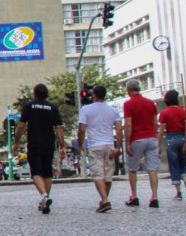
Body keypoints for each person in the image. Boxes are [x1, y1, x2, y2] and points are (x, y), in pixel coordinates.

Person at [13, 84, 66, 214]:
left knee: (36, 172)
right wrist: (62, 145)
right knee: (47, 173)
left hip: (34, 144)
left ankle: (44, 196)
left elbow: (21, 125)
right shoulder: (53, 108)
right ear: (47, 94)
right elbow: (58, 128)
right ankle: (45, 200)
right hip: (49, 144)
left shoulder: (29, 106)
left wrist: (16, 142)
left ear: (34, 93)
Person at [78, 85, 123, 213]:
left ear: (94, 95)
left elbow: (82, 129)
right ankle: (104, 200)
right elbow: (119, 129)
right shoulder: (113, 111)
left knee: (98, 174)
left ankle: (105, 201)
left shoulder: (86, 109)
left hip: (95, 145)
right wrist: (118, 146)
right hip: (109, 145)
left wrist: (80, 144)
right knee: (108, 176)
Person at [123, 79, 160, 208]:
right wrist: (153, 133)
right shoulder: (151, 103)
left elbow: (128, 124)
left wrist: (127, 143)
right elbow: (155, 122)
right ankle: (154, 197)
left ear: (128, 90)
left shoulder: (128, 104)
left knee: (132, 169)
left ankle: (134, 196)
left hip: (137, 138)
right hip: (151, 137)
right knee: (152, 169)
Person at [157, 89, 186, 200]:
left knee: (174, 166)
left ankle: (178, 193)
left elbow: (161, 130)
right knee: (183, 164)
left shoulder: (164, 113)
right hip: (182, 138)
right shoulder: (184, 111)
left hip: (170, 139)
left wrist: (159, 144)